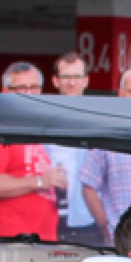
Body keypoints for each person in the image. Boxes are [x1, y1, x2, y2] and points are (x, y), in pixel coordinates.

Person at [0, 62, 64, 240]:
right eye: (21, 88)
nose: (29, 93)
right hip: (11, 241)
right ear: (5, 91)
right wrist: (39, 181)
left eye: (34, 87)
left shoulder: (43, 128)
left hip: (45, 240)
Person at [80, 66, 131, 241]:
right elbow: (88, 186)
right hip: (118, 237)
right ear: (120, 93)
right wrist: (105, 225)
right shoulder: (106, 133)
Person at [48, 52, 98, 244]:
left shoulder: (98, 121)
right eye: (66, 77)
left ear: (86, 81)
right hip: (50, 218)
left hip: (89, 219)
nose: (71, 83)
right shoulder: (44, 120)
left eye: (77, 77)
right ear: (55, 81)